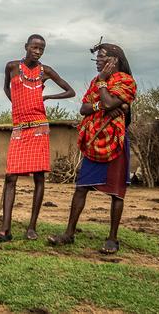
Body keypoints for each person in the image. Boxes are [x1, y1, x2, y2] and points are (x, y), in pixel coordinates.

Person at [0, 35, 76, 242]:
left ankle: (31, 227)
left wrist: (48, 97)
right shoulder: (12, 67)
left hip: (38, 127)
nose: (37, 51)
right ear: (26, 47)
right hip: (19, 127)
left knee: (39, 177)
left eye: (41, 49)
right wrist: (15, 104)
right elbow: (6, 88)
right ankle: (5, 230)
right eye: (34, 47)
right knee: (11, 177)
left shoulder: (47, 71)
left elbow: (71, 91)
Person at [48, 41, 137, 254]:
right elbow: (84, 108)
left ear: (114, 60)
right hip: (93, 141)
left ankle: (112, 238)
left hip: (114, 140)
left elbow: (107, 102)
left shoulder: (126, 81)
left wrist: (105, 87)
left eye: (101, 56)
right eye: (96, 57)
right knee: (81, 188)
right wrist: (103, 105)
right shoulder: (95, 81)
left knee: (117, 192)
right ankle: (69, 233)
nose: (97, 61)